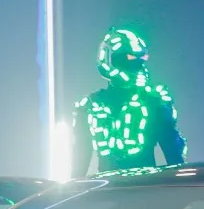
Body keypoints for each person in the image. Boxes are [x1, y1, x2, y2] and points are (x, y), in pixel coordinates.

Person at [71, 28, 186, 177]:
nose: (137, 67)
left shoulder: (154, 101)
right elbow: (80, 159)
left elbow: (173, 154)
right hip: (110, 185)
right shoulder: (90, 105)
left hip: (145, 185)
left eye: (140, 60)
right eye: (130, 59)